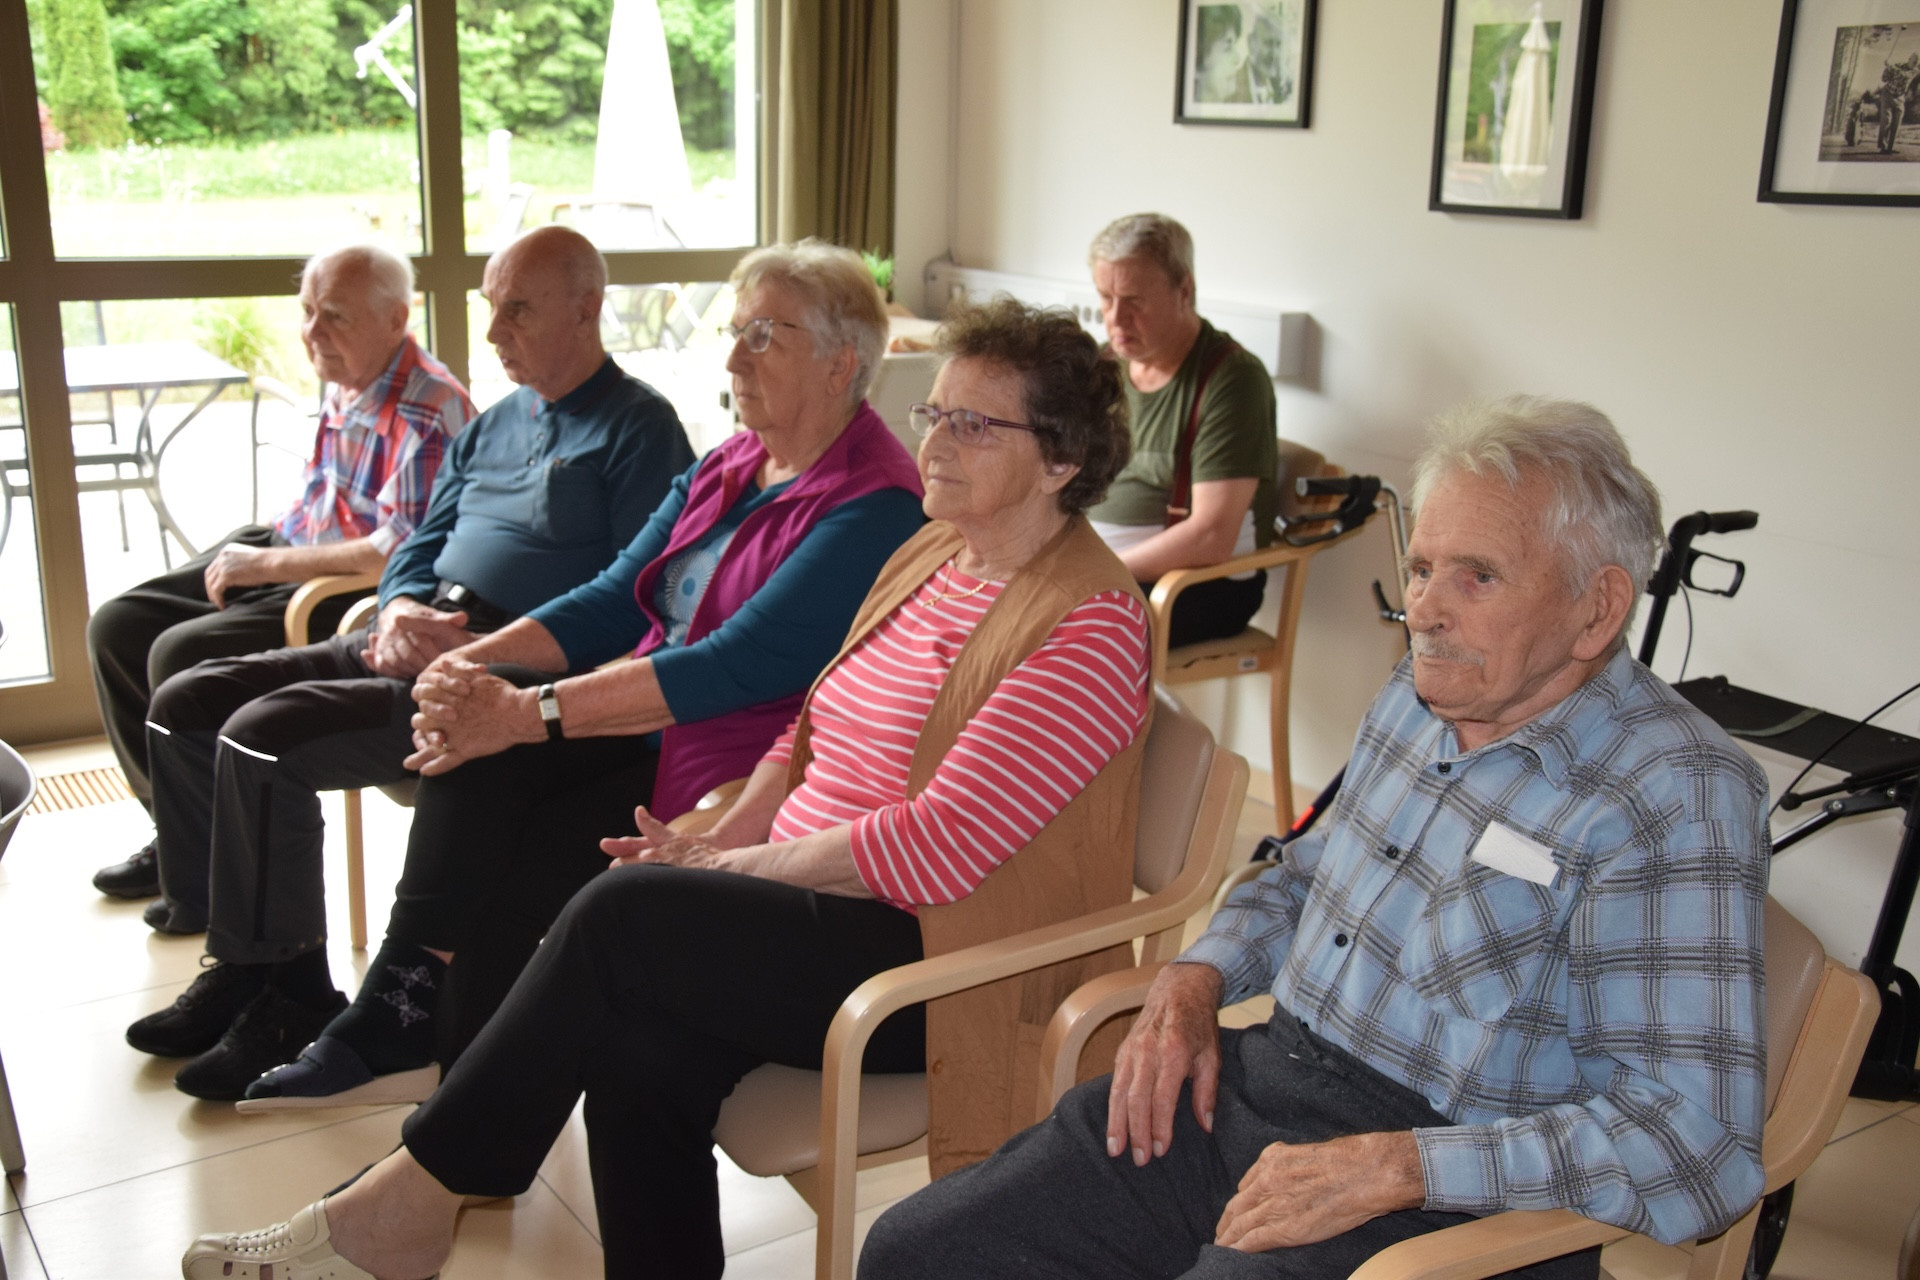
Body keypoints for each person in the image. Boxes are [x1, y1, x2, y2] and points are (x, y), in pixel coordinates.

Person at [183, 297, 1151, 1280]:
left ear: (1063, 458)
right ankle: (428, 1204)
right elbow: (808, 727)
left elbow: (934, 846)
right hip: (820, 904)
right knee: (636, 1048)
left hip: (941, 955)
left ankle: (408, 1201)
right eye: (934, 414)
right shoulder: (939, 552)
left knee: (622, 913)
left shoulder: (1091, 623)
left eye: (973, 424)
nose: (936, 442)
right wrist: (730, 833)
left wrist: (728, 864)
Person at [858, 397, 1773, 1280]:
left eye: (1477, 577)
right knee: (920, 1250)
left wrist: (1400, 1167)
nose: (1426, 609)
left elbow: (1698, 1143)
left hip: (1452, 1192)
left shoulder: (1672, 794)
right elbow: (1303, 875)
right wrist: (1196, 977)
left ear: (1597, 609)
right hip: (1263, 1088)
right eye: (1421, 569)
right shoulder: (1419, 698)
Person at [226, 238, 930, 1110]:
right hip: (644, 721)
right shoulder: (731, 463)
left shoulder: (874, 504)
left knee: (517, 838)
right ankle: (420, 1032)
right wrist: (469, 661)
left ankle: (445, 1075)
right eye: (735, 330)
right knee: (480, 771)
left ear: (840, 365)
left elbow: (731, 666)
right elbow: (606, 600)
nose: (731, 356)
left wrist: (522, 710)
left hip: (728, 762)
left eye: (763, 336)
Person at [122, 224, 695, 1099]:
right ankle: (240, 962)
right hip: (418, 632)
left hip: (508, 668)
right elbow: (416, 544)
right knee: (190, 700)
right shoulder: (495, 423)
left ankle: (288, 992)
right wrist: (398, 609)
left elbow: (636, 596)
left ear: (588, 310)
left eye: (518, 311)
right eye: (490, 310)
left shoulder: (638, 428)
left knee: (263, 737)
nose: (495, 332)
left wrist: (489, 650)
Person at [88, 243, 474, 901]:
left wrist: (265, 564)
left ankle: (206, 862)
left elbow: (392, 549)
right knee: (115, 627)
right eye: (306, 313)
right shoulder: (352, 372)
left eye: (333, 318)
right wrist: (260, 552)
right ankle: (183, 834)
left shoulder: (429, 405)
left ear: (395, 319)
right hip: (288, 544)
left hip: (338, 586)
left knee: (177, 656)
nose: (312, 334)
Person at [1086, 213, 1280, 649]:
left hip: (1194, 586)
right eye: (1105, 297)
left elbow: (1211, 536)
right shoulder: (1103, 368)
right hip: (1101, 572)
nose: (1116, 318)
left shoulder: (1232, 380)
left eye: (1135, 300)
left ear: (1184, 290)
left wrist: (1097, 572)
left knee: (1049, 634)